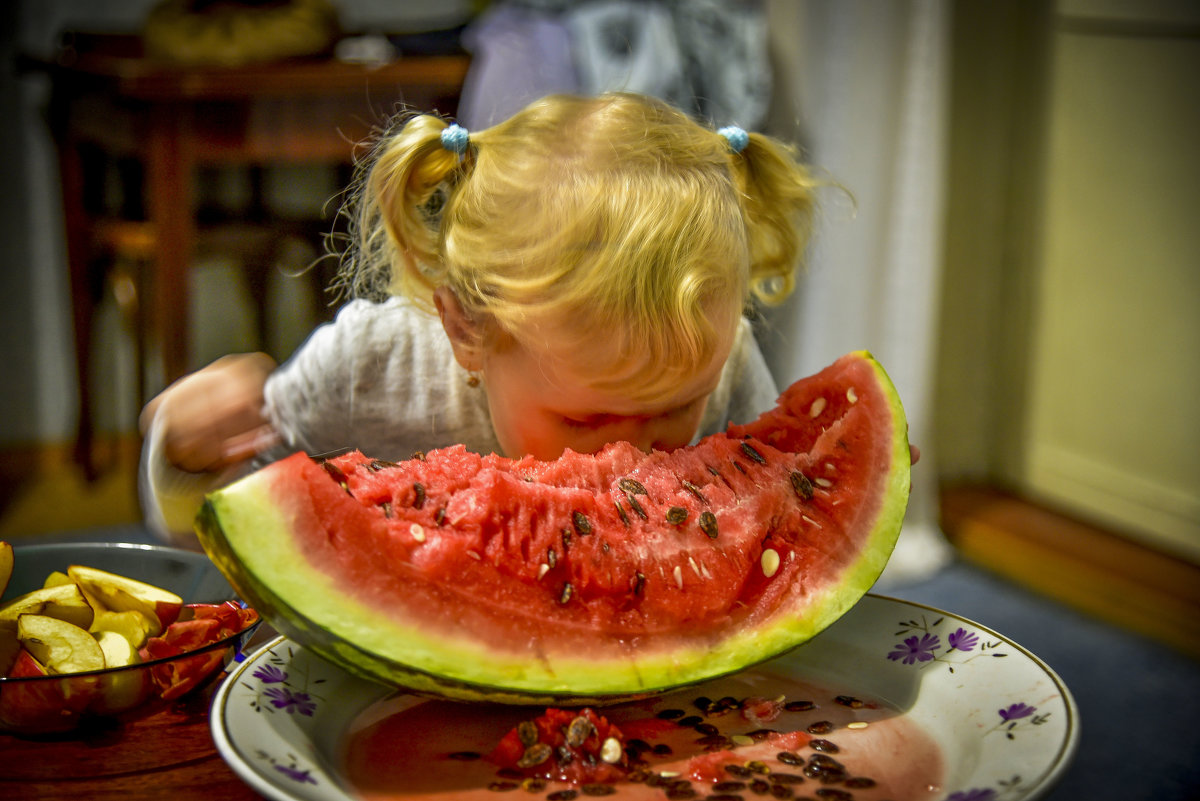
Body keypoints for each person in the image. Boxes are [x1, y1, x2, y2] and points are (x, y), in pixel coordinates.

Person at [139, 91, 821, 547]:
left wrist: (823, 489)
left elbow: (768, 515)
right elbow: (215, 527)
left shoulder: (724, 363)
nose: (633, 459)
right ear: (467, 329)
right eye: (585, 421)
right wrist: (187, 454)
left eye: (680, 407)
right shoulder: (364, 370)